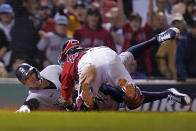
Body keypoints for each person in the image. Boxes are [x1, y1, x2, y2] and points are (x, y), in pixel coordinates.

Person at [16, 27, 191, 112]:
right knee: (131, 94)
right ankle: (158, 39)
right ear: (24, 83)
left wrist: (70, 101)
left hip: (90, 77)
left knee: (93, 101)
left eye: (31, 74)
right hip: (106, 56)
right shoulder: (88, 51)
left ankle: (92, 97)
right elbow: (30, 103)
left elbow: (67, 82)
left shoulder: (63, 65)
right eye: (27, 78)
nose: (31, 78)